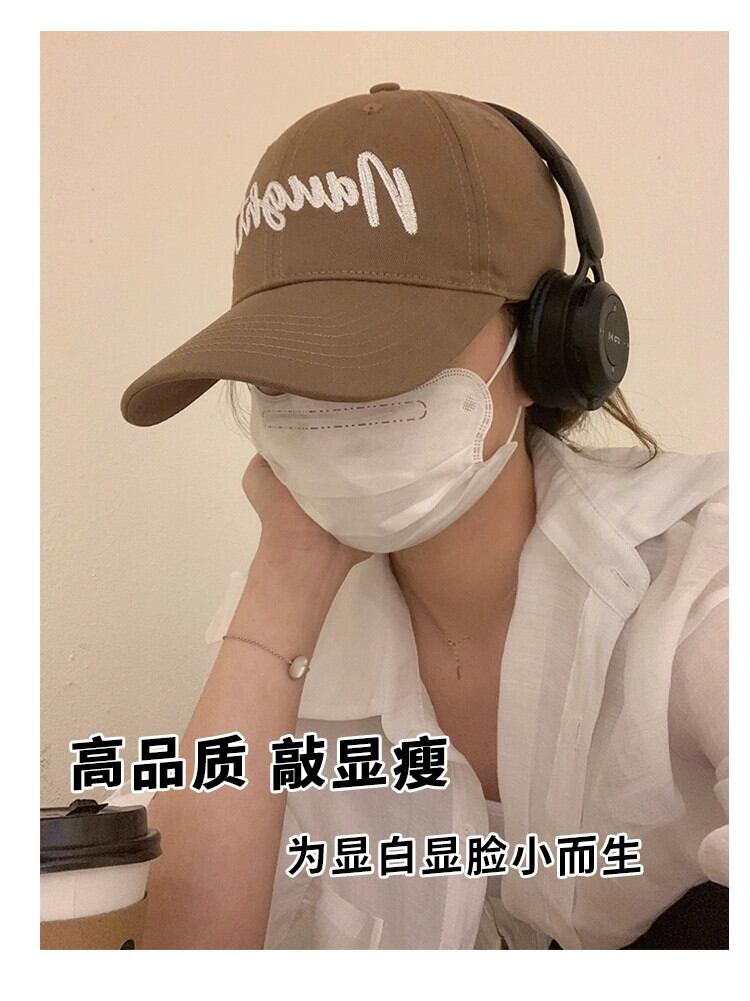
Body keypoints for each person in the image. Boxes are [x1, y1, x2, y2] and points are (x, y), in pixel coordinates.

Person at [115, 85, 728, 949]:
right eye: (289, 366)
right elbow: (186, 957)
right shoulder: (296, 640)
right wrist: (285, 577)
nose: (334, 401)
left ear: (551, 345)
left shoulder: (705, 577)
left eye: (384, 348)